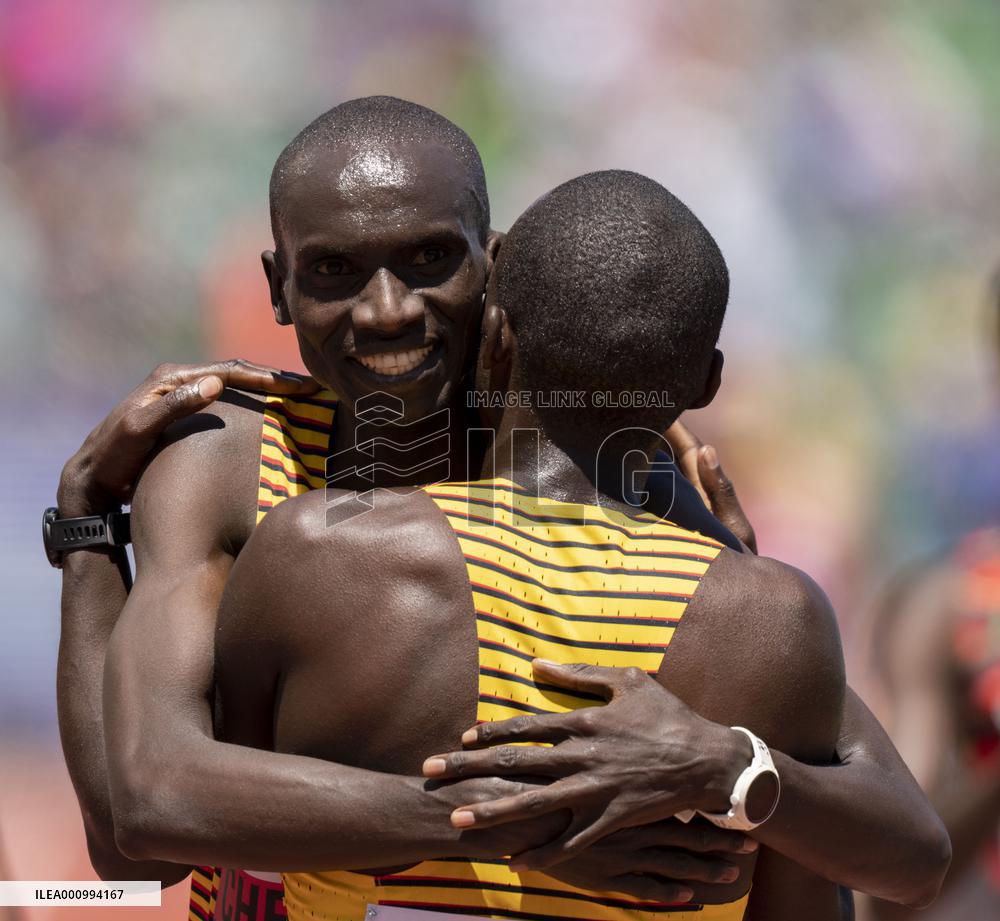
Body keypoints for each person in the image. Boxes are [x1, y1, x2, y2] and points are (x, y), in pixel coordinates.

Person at [53, 98, 947, 919]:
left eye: (430, 258)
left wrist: (730, 759)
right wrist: (89, 524)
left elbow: (891, 826)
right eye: (333, 271)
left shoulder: (628, 483)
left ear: (499, 259)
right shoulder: (229, 463)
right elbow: (137, 834)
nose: (388, 310)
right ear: (277, 285)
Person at [215, 169, 848, 919]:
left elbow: (194, 834)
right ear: (707, 382)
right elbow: (853, 879)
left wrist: (87, 531)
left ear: (495, 331)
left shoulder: (315, 554)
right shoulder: (774, 618)